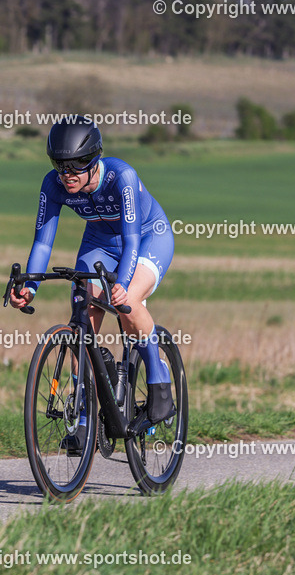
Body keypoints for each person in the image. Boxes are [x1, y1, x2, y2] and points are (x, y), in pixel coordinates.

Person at [9, 116, 175, 454]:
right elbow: (43, 243)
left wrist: (123, 285)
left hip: (146, 239)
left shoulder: (121, 176)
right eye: (59, 164)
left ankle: (160, 386)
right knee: (82, 319)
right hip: (98, 242)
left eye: (76, 164)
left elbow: (131, 241)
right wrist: (31, 285)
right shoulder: (53, 185)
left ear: (94, 159)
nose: (66, 173)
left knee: (128, 305)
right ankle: (85, 417)